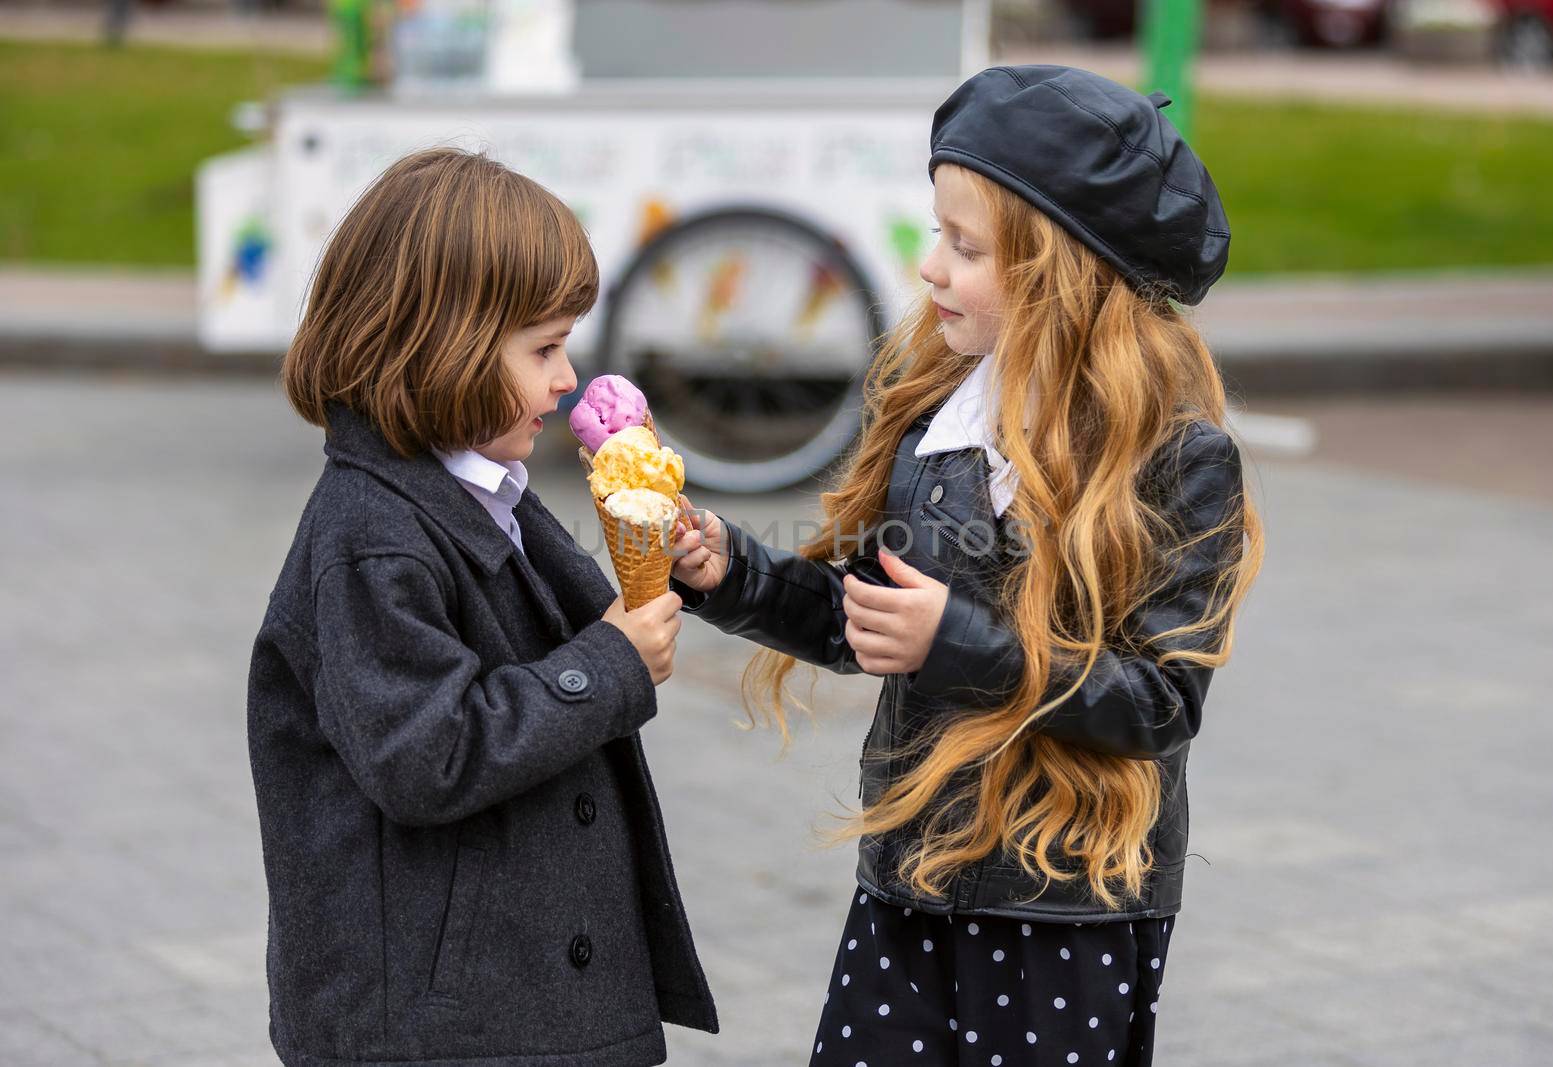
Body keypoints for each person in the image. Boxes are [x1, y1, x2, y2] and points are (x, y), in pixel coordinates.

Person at [669, 66, 1263, 1065]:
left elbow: (1160, 702)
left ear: (1062, 273)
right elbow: (866, 617)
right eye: (936, 233)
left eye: (965, 246)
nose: (931, 268)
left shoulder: (1174, 457)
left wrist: (960, 641)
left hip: (1068, 905)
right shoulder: (939, 424)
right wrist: (733, 573)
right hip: (911, 880)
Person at [246, 147, 715, 1067]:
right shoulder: (373, 533)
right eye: (543, 349)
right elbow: (426, 753)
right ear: (441, 349)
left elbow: (571, 616)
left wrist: (664, 560)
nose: (566, 380)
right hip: (438, 1024)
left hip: (513, 999)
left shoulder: (468, 483)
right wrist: (612, 664)